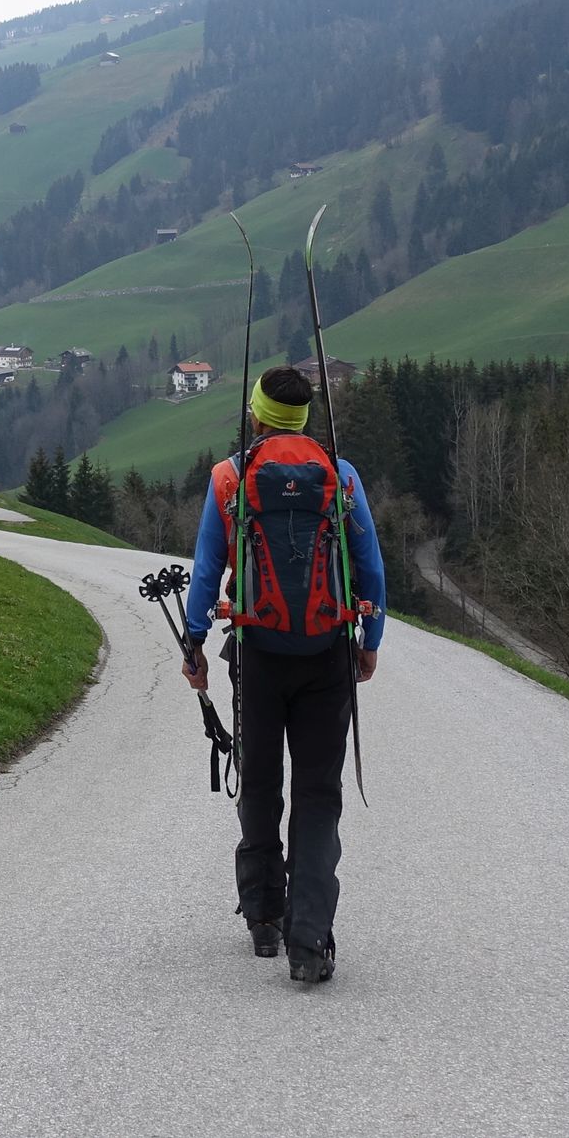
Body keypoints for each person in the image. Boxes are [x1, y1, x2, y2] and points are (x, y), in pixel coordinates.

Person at [180, 365, 386, 983]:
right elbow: (371, 568)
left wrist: (194, 645)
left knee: (261, 783)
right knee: (318, 795)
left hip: (257, 654)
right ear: (304, 417)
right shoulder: (341, 477)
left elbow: (206, 570)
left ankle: (264, 916)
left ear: (256, 414)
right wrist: (370, 642)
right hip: (328, 654)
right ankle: (309, 939)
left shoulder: (229, 478)